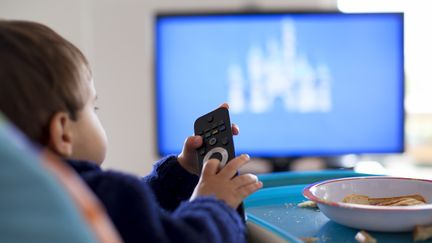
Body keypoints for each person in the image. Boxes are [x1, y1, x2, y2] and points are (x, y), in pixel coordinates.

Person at [0, 20, 262, 243]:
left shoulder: (22, 207)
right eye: (94, 106)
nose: (96, 112)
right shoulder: (104, 193)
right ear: (63, 133)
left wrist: (183, 172)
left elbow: (137, 223)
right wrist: (216, 205)